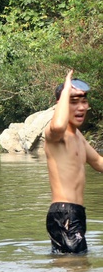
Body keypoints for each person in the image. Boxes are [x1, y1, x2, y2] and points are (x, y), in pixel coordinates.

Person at [44, 71, 103, 253]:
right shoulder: (54, 135)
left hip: (75, 213)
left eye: (83, 101)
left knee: (72, 269)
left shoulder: (78, 137)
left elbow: (99, 163)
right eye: (73, 101)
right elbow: (59, 125)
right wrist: (67, 84)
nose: (81, 107)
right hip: (64, 213)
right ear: (60, 104)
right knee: (75, 268)